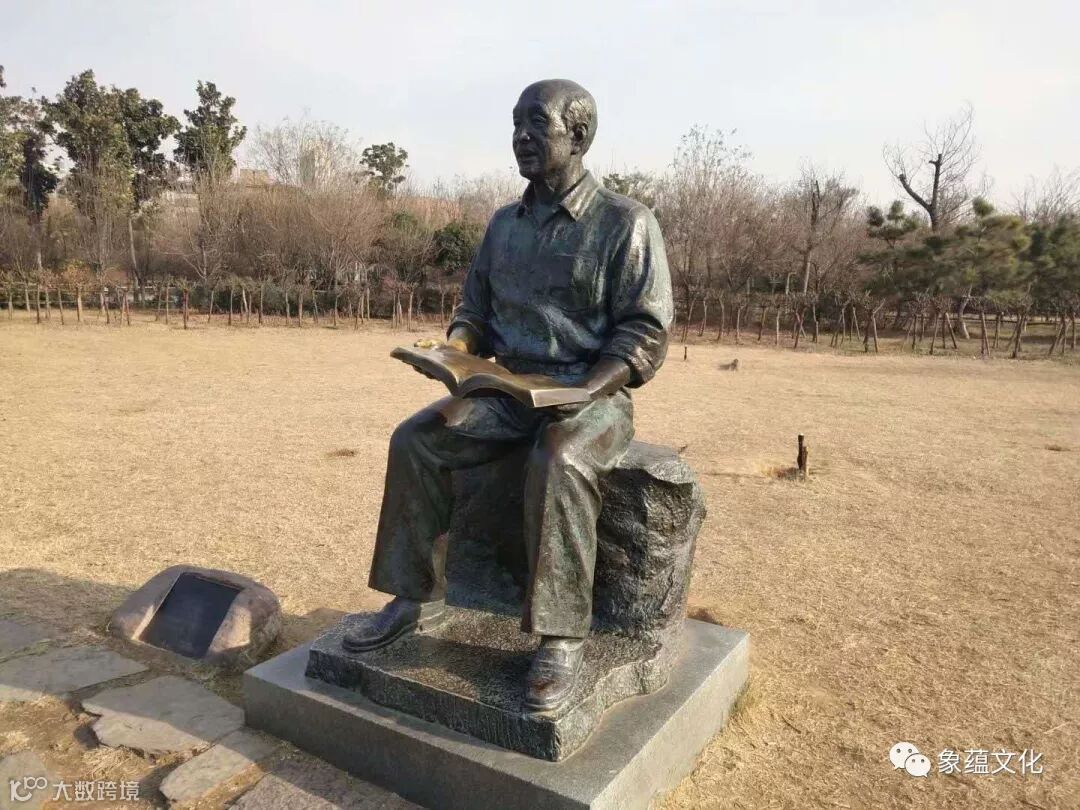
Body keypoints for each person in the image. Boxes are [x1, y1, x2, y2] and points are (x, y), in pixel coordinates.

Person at [344, 79, 673, 712]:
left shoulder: (626, 223)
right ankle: (413, 599)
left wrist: (589, 387)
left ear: (578, 136)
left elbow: (644, 331)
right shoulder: (503, 224)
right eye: (516, 123)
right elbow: (476, 312)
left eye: (537, 124)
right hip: (507, 390)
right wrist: (454, 351)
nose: (521, 136)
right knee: (417, 440)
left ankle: (561, 638)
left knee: (561, 460)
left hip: (593, 395)